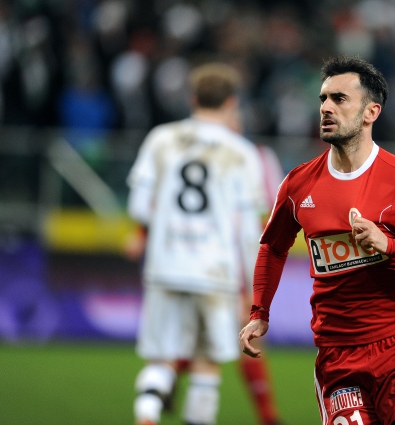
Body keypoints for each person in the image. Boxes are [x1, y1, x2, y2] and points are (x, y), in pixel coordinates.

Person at [239, 55, 395, 425]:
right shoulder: (298, 184)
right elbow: (272, 246)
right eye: (323, 99)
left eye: (339, 99)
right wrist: (259, 313)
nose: (326, 108)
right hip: (337, 357)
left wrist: (389, 245)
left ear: (370, 112)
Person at [127, 62, 282, 425]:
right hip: (215, 271)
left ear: (193, 99)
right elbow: (248, 231)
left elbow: (139, 207)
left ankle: (147, 414)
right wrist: (252, 287)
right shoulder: (242, 152)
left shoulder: (161, 138)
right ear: (232, 102)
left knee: (162, 357)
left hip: (165, 266)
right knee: (206, 363)